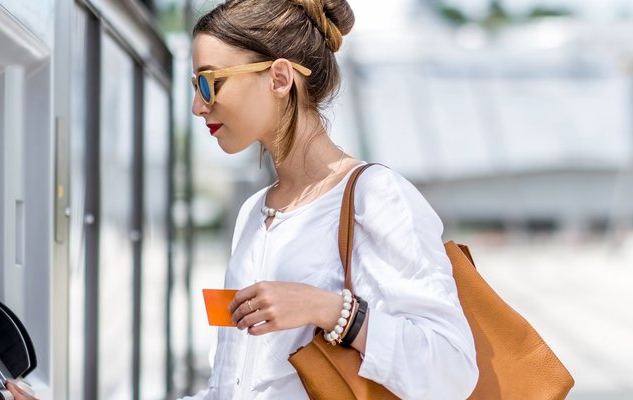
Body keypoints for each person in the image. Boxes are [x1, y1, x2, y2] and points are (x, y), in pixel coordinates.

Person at [184, 0, 478, 399]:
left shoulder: (375, 198)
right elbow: (235, 381)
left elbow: (452, 372)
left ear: (279, 78)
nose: (198, 106)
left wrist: (329, 310)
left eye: (209, 82)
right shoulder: (254, 212)